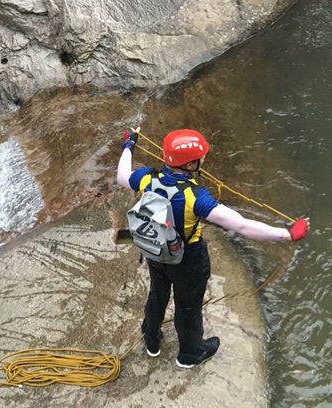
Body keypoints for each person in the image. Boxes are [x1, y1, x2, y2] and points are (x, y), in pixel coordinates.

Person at [116, 128, 308, 369]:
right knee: (188, 306)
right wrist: (287, 234)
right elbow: (242, 225)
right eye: (201, 157)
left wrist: (129, 144)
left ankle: (152, 340)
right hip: (188, 261)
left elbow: (122, 175)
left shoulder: (147, 178)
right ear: (190, 165)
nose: (204, 159)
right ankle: (189, 354)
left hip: (156, 250)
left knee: (157, 294)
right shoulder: (197, 197)